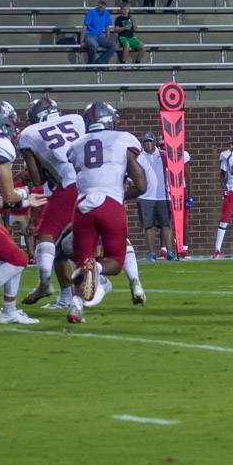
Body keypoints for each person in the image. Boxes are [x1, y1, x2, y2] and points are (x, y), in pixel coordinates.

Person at [64, 102, 146, 324]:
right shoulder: (122, 139)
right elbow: (141, 184)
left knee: (82, 263)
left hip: (82, 208)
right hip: (110, 203)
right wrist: (120, 194)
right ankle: (97, 267)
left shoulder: (76, 145)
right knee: (115, 261)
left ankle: (75, 306)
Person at [0, 102, 46, 330]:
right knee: (19, 260)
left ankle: (9, 310)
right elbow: (9, 194)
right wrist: (25, 195)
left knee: (14, 256)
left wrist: (19, 198)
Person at [16, 98, 85, 306]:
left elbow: (37, 179)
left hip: (68, 185)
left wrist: (28, 178)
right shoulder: (77, 119)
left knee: (46, 236)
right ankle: (66, 296)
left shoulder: (29, 134)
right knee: (64, 245)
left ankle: (45, 282)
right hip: (91, 181)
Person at [135, 132, 177, 261]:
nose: (148, 144)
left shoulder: (162, 155)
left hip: (162, 195)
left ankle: (170, 251)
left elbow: (174, 166)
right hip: (145, 196)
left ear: (154, 142)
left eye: (150, 141)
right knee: (148, 226)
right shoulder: (139, 157)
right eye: (146, 141)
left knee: (166, 224)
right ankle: (152, 253)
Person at [81, 0, 118, 65]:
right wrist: (81, 41)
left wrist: (107, 39)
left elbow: (107, 27)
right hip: (89, 35)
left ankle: (100, 61)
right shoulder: (91, 12)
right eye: (101, 3)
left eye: (104, 4)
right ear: (98, 4)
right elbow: (84, 27)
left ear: (106, 5)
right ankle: (91, 63)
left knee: (114, 45)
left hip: (100, 36)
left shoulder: (106, 13)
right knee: (94, 45)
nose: (102, 5)